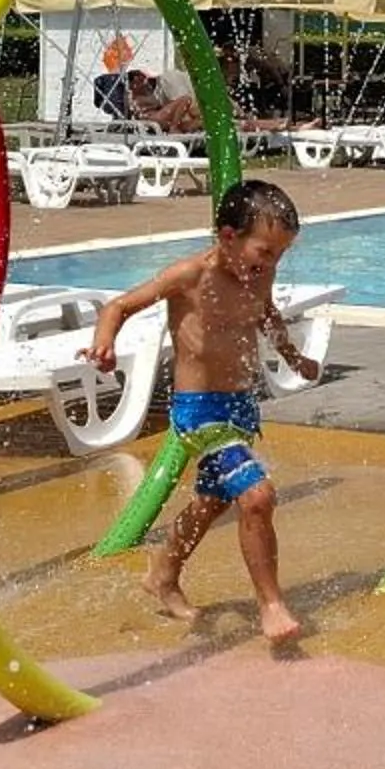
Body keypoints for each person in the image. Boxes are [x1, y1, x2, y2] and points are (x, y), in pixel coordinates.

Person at [88, 179, 320, 643]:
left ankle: (163, 573)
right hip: (199, 411)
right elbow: (119, 305)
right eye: (265, 252)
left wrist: (292, 356)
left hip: (239, 407)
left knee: (213, 501)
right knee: (257, 497)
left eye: (279, 255)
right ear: (228, 236)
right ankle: (271, 605)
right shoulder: (189, 276)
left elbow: (265, 313)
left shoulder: (258, 274)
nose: (271, 264)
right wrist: (103, 343)